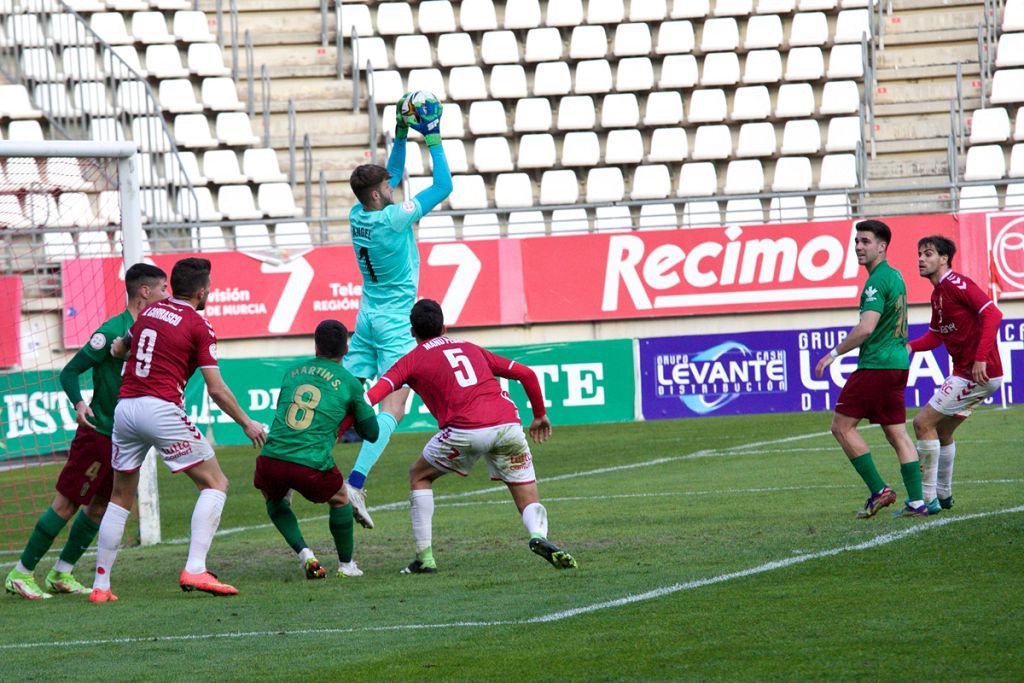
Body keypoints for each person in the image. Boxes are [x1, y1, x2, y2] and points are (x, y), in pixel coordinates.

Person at [88, 258, 267, 603]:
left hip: (125, 409)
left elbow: (121, 347)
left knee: (120, 496)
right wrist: (247, 422)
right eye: (209, 288)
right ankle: (196, 568)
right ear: (202, 292)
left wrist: (118, 350)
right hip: (160, 407)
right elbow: (216, 389)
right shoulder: (200, 324)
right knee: (215, 483)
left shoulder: (150, 312)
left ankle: (101, 586)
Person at [366, 299, 577, 574]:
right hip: (508, 426)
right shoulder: (470, 348)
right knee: (526, 495)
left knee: (419, 475)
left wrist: (346, 417)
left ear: (411, 331)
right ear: (444, 326)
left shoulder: (410, 361)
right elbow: (526, 373)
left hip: (465, 431)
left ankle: (424, 558)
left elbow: (376, 393)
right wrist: (539, 414)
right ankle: (538, 534)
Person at [4, 264, 168, 600]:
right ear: (145, 292)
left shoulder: (152, 334)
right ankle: (21, 573)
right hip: (98, 435)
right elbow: (69, 372)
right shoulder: (111, 332)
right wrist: (79, 404)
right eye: (163, 289)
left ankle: (61, 573)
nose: (167, 295)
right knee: (66, 504)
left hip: (125, 440)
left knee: (99, 507)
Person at [342, 92, 453, 530]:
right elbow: (444, 187)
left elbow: (391, 176)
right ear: (377, 193)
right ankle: (355, 480)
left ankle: (305, 450)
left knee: (348, 390)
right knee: (396, 406)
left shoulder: (358, 213)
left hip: (365, 315)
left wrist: (402, 132)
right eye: (388, 187)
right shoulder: (392, 219)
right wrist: (433, 136)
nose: (394, 188)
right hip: (391, 324)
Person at [815, 220, 927, 518]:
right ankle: (917, 502)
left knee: (841, 427)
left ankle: (879, 490)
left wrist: (833, 354)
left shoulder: (876, 281)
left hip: (876, 365)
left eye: (865, 241)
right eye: (857, 242)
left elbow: (866, 328)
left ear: (882, 246)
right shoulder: (896, 277)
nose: (858, 247)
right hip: (897, 365)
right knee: (896, 432)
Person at [254, 320, 380, 580]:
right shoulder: (350, 383)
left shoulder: (291, 373)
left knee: (275, 500)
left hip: (272, 457)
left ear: (316, 345)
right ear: (346, 349)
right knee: (340, 499)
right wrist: (354, 412)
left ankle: (305, 554)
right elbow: (372, 433)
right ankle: (346, 565)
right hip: (310, 462)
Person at [907, 235, 1003, 513]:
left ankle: (926, 499)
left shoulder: (957, 284)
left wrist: (980, 358)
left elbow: (993, 314)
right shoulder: (937, 294)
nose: (921, 259)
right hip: (974, 374)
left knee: (922, 422)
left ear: (944, 259)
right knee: (941, 430)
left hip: (975, 373)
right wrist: (910, 346)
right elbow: (935, 336)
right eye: (919, 254)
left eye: (928, 254)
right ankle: (944, 495)